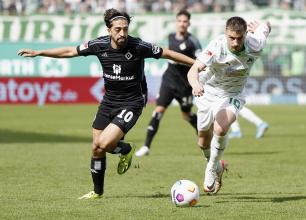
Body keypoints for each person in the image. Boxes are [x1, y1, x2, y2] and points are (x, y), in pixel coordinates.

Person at [18, 8, 195, 199]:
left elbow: (168, 53)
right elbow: (70, 51)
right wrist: (40, 52)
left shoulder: (138, 46)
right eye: (118, 29)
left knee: (103, 143)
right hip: (108, 101)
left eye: (125, 29)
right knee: (97, 147)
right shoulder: (98, 45)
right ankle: (99, 190)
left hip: (132, 103)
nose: (122, 33)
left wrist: (196, 64)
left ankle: (124, 150)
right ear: (108, 29)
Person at [187, 17, 271, 194]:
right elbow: (194, 70)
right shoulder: (216, 46)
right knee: (203, 141)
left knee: (221, 127)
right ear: (226, 34)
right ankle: (216, 165)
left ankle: (210, 168)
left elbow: (266, 27)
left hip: (233, 94)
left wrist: (264, 26)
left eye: (239, 38)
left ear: (245, 34)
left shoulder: (255, 43)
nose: (235, 42)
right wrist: (195, 85)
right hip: (207, 91)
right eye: (231, 38)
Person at [135, 10, 201, 157]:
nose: (182, 24)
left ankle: (202, 132)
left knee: (186, 115)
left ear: (188, 23)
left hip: (185, 86)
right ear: (176, 22)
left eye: (185, 21)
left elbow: (199, 61)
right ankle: (146, 146)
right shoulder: (171, 36)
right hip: (169, 81)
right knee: (158, 111)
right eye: (180, 21)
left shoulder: (193, 41)